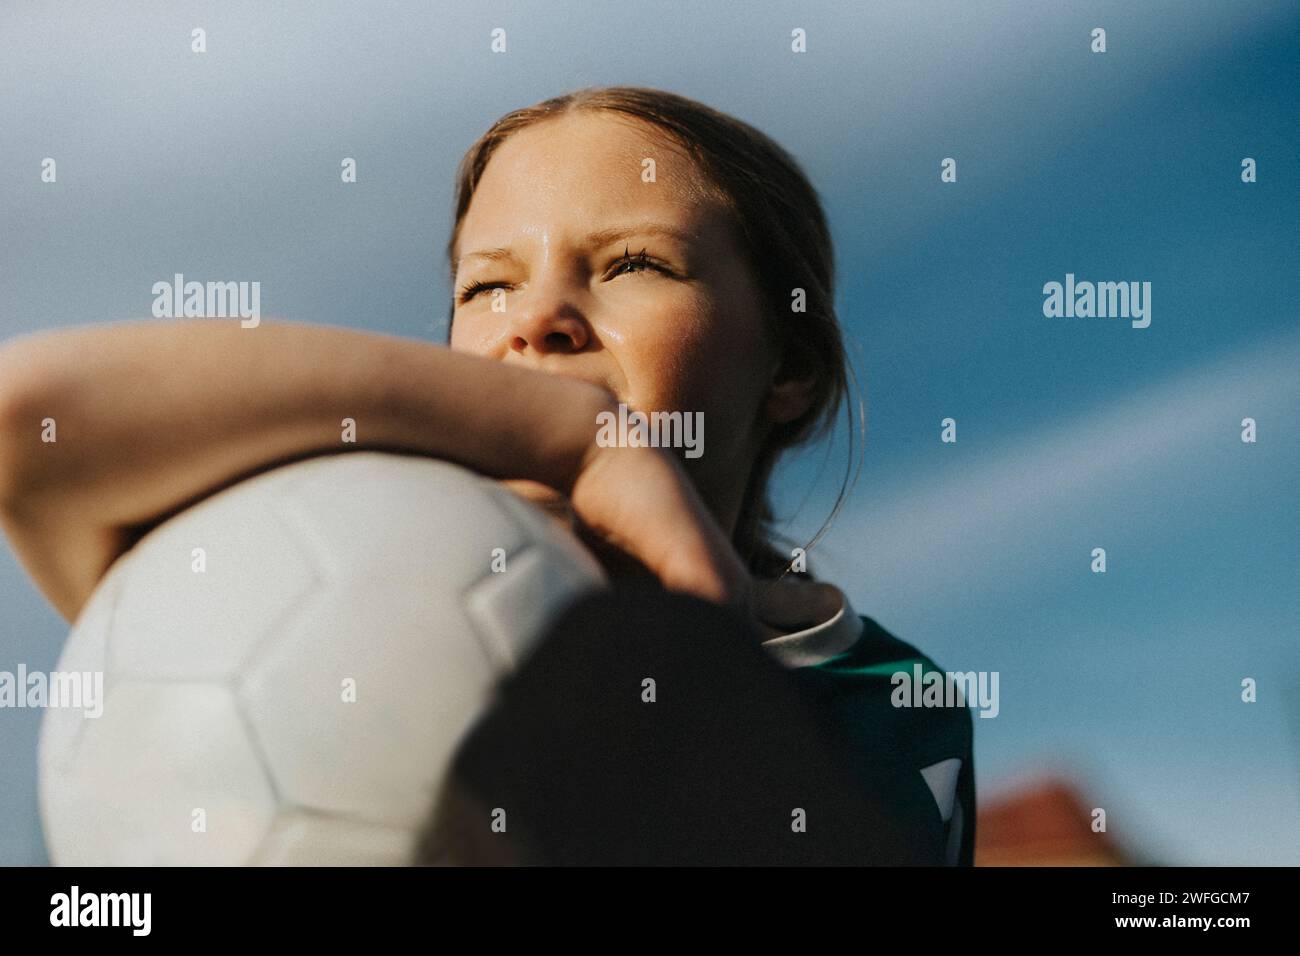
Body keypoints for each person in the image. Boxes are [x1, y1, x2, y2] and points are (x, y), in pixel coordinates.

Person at [0, 85, 973, 865]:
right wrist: (574, 432)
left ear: (791, 367)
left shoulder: (884, 699)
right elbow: (20, 417)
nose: (537, 314)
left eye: (634, 261)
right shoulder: (299, 582)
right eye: (487, 284)